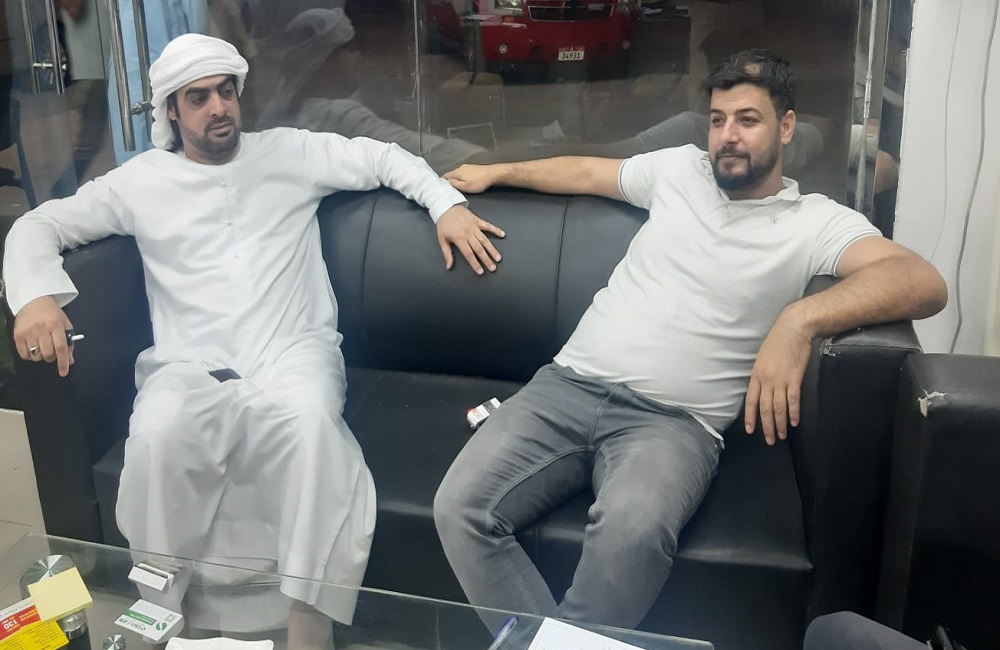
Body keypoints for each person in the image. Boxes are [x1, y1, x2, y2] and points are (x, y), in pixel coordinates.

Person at [4, 33, 504, 647]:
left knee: (310, 429)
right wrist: (34, 296)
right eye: (198, 98)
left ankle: (308, 625)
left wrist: (445, 205)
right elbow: (40, 223)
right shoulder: (140, 182)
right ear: (171, 110)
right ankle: (162, 620)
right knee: (157, 438)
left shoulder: (291, 153)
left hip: (291, 353)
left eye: (225, 91)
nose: (218, 108)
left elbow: (382, 157)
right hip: (188, 364)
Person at [433, 48, 947, 631]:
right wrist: (497, 172)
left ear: (785, 127)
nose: (728, 135)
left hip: (673, 424)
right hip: (565, 386)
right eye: (718, 120)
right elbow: (585, 172)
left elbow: (922, 281)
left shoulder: (814, 221)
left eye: (747, 120)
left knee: (633, 533)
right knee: (458, 507)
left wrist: (798, 320)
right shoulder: (678, 170)